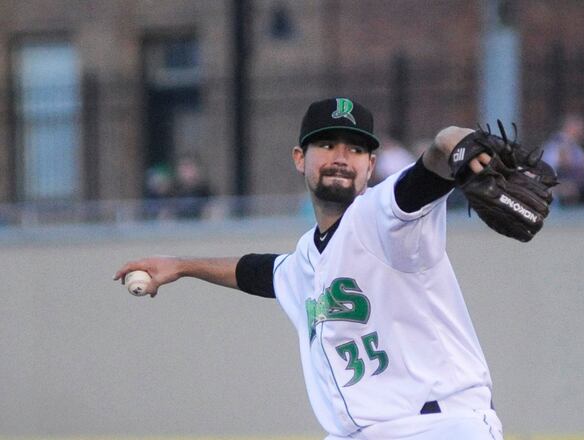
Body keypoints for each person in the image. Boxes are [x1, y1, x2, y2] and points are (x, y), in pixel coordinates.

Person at [114, 97, 511, 440]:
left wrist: (450, 141)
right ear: (300, 158)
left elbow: (427, 173)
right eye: (327, 144)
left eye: (355, 150)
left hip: (438, 426)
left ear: (371, 165)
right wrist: (181, 266)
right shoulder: (307, 258)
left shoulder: (385, 217)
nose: (341, 157)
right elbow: (261, 273)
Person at [541, 114, 584, 206]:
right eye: (579, 128)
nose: (582, 132)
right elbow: (564, 164)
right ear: (570, 128)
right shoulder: (558, 142)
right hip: (555, 184)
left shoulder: (575, 146)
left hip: (576, 186)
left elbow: (583, 165)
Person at [172, 154, 213, 219]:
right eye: (183, 167)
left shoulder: (205, 190)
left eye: (189, 167)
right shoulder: (173, 191)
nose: (186, 171)